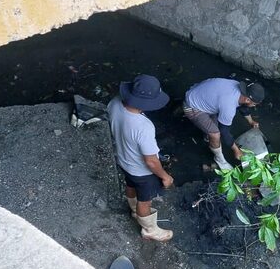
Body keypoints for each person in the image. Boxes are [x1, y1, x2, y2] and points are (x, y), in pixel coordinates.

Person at [107, 74, 174, 242]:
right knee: (145, 200)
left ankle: (133, 209)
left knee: (130, 184)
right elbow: (151, 161)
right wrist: (165, 176)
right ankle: (149, 229)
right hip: (141, 171)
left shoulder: (114, 103)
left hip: (123, 159)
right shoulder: (143, 127)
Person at [183, 78, 265, 170]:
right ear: (247, 100)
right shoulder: (229, 107)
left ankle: (207, 137)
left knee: (214, 126)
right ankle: (220, 160)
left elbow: (241, 106)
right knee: (215, 134)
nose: (254, 106)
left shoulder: (239, 89)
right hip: (192, 106)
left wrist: (250, 121)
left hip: (202, 94)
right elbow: (224, 131)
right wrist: (236, 150)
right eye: (254, 104)